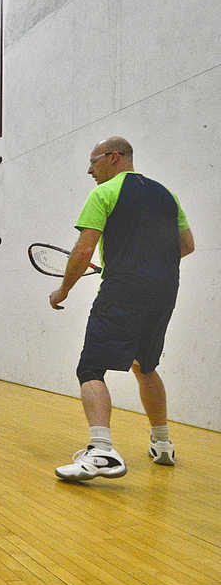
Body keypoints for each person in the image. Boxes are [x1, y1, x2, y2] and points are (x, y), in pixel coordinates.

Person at [50, 137, 194, 482]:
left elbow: (83, 251)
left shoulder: (104, 193)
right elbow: (186, 246)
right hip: (164, 292)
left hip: (122, 292)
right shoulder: (166, 195)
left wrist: (63, 289)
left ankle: (100, 452)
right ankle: (162, 444)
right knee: (145, 366)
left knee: (91, 368)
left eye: (93, 161)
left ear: (113, 157)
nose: (90, 169)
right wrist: (141, 262)